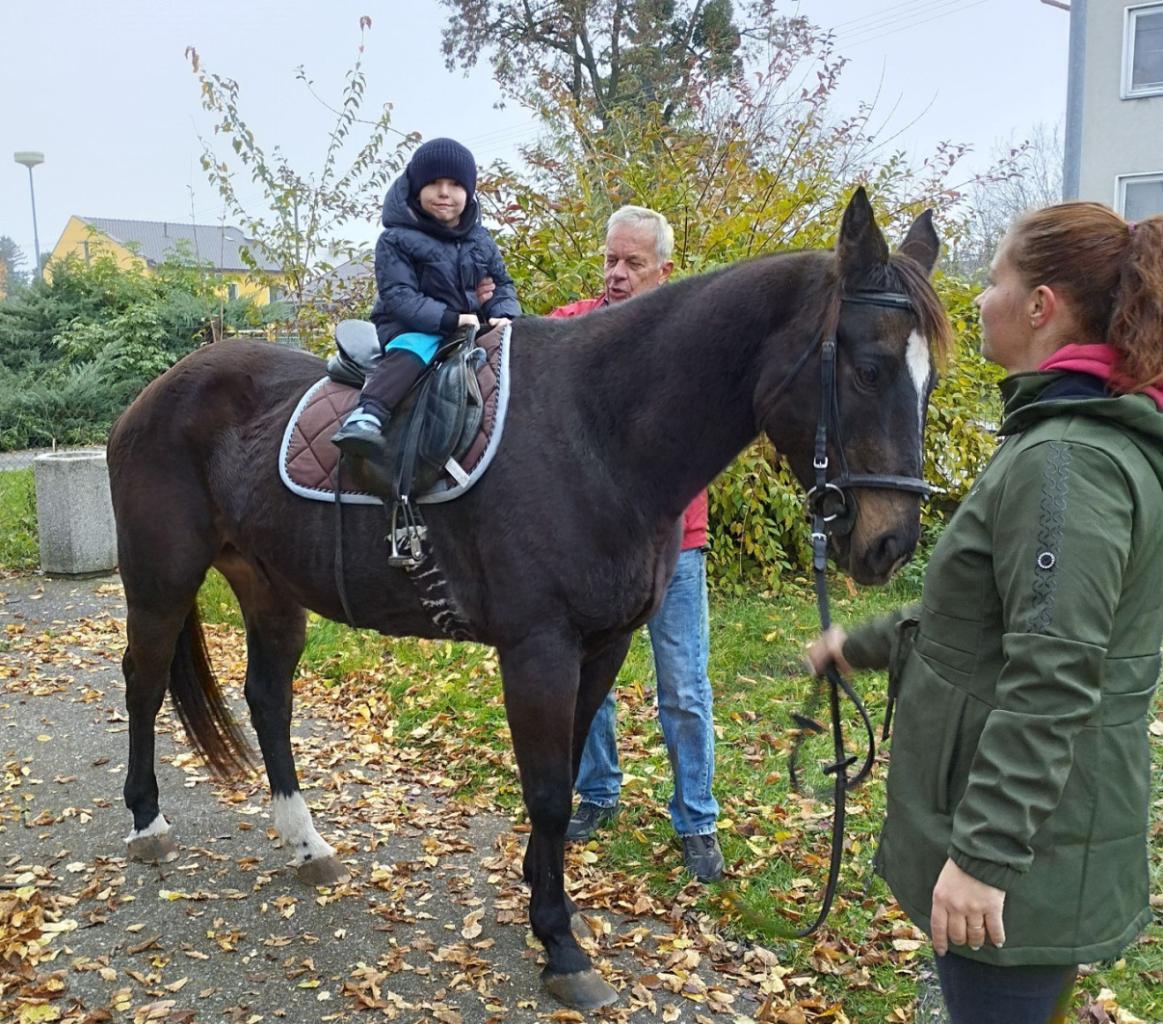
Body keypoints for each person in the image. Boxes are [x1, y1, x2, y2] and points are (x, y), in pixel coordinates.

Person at [807, 202, 1163, 1024]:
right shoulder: (1072, 437)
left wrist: (983, 859)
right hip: (1044, 835)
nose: (976, 297)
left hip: (1022, 859)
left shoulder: (1065, 460)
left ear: (1039, 306)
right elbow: (998, 621)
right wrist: (860, 643)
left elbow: (1053, 674)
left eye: (994, 278)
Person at [549, 205, 724, 883]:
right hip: (593, 545)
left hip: (674, 542)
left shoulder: (693, 341)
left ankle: (697, 819)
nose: (617, 274)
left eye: (633, 263)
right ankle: (597, 793)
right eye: (610, 260)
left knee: (682, 687)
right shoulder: (573, 326)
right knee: (586, 678)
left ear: (664, 271)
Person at [332, 137, 521, 463]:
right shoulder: (396, 239)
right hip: (410, 324)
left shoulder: (480, 239)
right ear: (416, 188)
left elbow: (500, 283)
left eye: (455, 185)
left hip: (466, 325)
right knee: (417, 349)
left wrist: (503, 313)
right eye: (434, 183)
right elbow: (399, 296)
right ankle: (369, 413)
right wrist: (450, 318)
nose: (444, 192)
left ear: (469, 192)